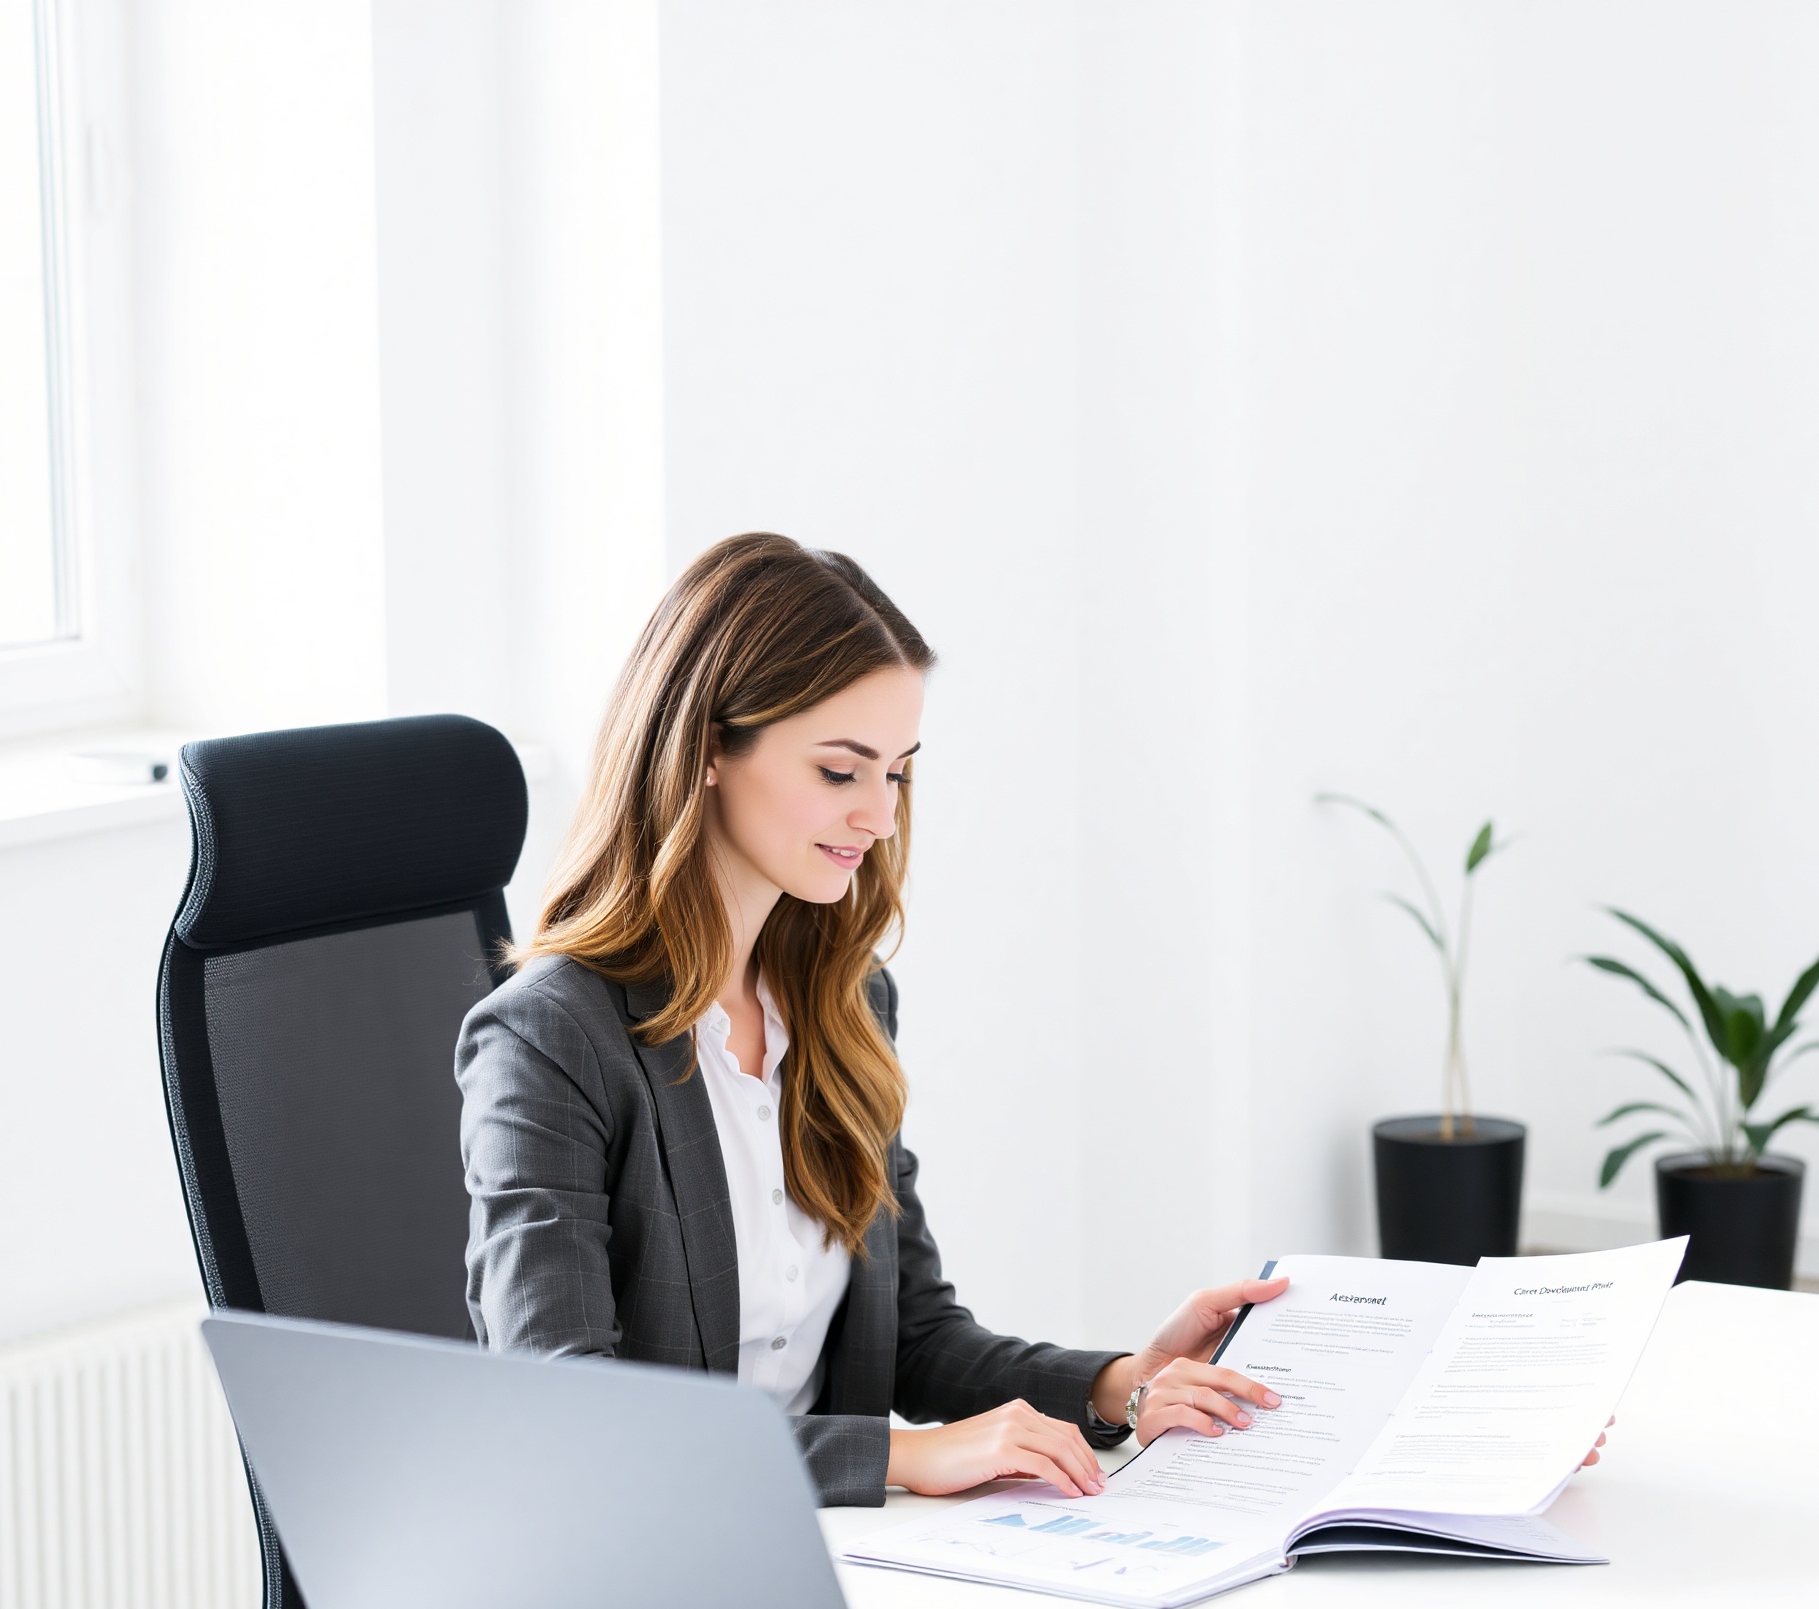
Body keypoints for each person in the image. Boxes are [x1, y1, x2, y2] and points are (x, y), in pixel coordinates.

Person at [454, 532, 1289, 1507]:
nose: (880, 817)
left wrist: (1124, 1382)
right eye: (840, 771)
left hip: (849, 1554)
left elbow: (913, 1336)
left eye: (895, 771)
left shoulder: (843, 1003)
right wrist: (894, 1458)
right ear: (707, 749)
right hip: (645, 1563)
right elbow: (570, 1415)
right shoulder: (552, 1040)